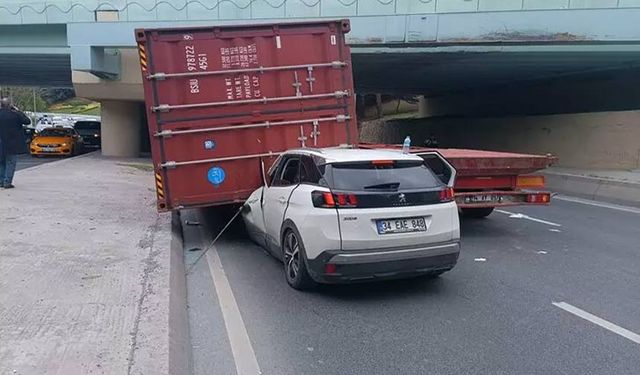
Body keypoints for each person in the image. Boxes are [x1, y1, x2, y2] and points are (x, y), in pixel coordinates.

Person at [0, 98, 31, 189]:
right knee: (10, 163)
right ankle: (7, 182)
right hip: (12, 144)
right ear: (10, 105)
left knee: (1, 162)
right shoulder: (15, 115)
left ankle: (1, 181)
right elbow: (27, 121)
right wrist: (18, 111)